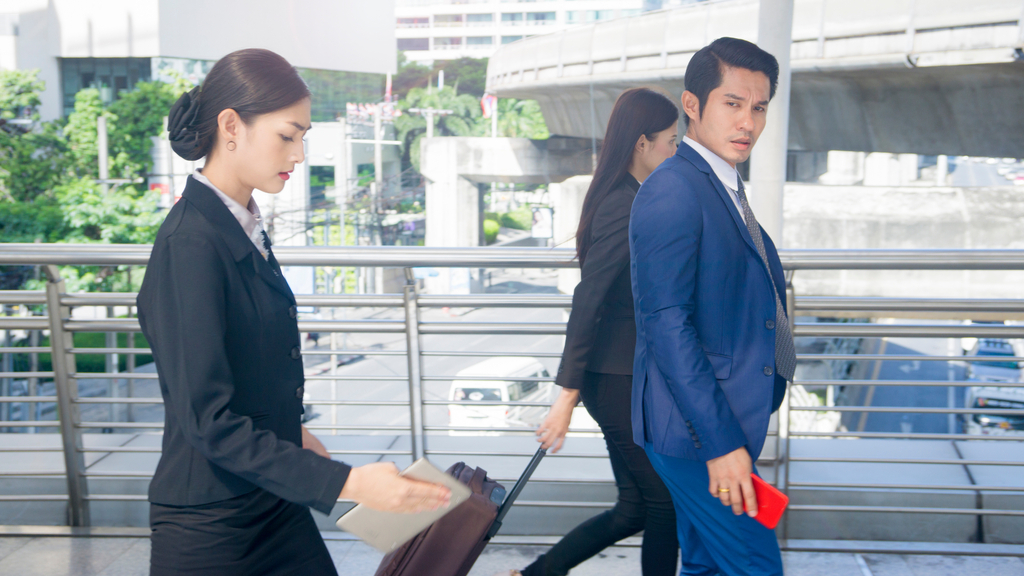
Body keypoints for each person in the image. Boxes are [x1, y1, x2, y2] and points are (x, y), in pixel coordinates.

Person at [137, 49, 450, 576]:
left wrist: (293, 434)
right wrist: (350, 484)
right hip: (212, 529)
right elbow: (207, 420)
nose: (300, 153)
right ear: (231, 126)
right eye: (288, 135)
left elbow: (247, 364)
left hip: (272, 501)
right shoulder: (189, 245)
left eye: (303, 137)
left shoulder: (241, 226)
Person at [628, 37, 794, 576]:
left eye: (759, 107)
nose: (747, 121)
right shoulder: (674, 189)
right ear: (693, 106)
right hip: (699, 434)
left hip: (717, 421)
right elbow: (665, 325)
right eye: (732, 103)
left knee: (706, 565)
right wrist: (721, 446)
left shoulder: (721, 185)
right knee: (755, 565)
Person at [501, 88, 682, 576]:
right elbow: (589, 300)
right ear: (643, 143)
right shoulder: (623, 205)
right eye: (671, 140)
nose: (675, 150)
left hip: (624, 376)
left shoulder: (631, 196)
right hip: (612, 377)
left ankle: (533, 575)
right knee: (665, 503)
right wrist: (565, 397)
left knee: (636, 507)